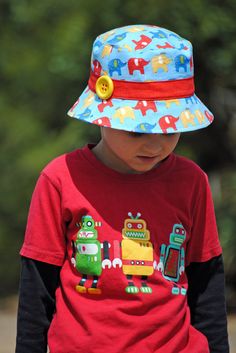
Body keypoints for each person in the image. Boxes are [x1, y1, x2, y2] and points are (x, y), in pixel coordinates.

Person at [15, 24, 229, 353]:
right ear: (101, 117)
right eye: (137, 131)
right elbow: (37, 287)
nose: (155, 146)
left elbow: (207, 282)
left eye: (170, 130)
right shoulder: (60, 179)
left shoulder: (191, 182)